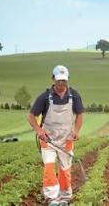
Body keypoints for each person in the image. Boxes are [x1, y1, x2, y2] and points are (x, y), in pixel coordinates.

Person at [28, 65, 84, 206]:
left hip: (67, 139)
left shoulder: (74, 95)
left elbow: (79, 115)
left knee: (65, 170)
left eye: (64, 81)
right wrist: (39, 131)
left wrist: (76, 131)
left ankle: (65, 198)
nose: (61, 84)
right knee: (49, 168)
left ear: (67, 80)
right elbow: (31, 116)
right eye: (59, 81)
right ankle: (52, 198)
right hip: (49, 140)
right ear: (53, 79)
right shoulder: (45, 97)